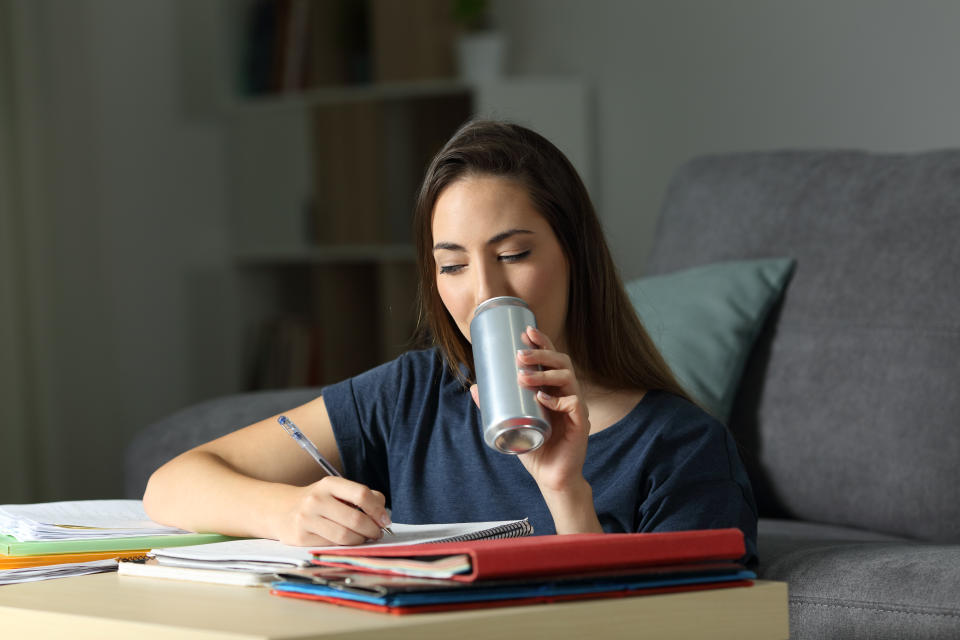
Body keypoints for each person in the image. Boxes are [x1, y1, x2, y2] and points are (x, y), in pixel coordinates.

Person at [143, 120, 758, 563]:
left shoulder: (683, 450)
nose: (485, 290)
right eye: (454, 265)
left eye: (513, 254)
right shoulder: (412, 395)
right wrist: (286, 511)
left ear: (576, 256)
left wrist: (566, 493)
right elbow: (173, 483)